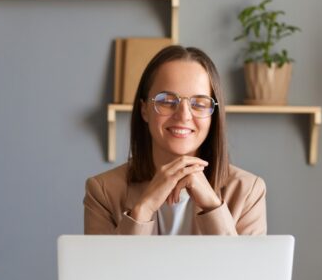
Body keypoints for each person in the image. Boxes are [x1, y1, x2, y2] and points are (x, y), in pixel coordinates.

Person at [84, 45, 266, 235]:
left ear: (214, 115)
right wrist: (143, 209)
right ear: (144, 109)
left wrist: (213, 207)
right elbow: (109, 265)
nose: (184, 116)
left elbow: (242, 265)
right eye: (167, 101)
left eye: (199, 104)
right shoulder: (102, 191)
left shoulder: (248, 191)